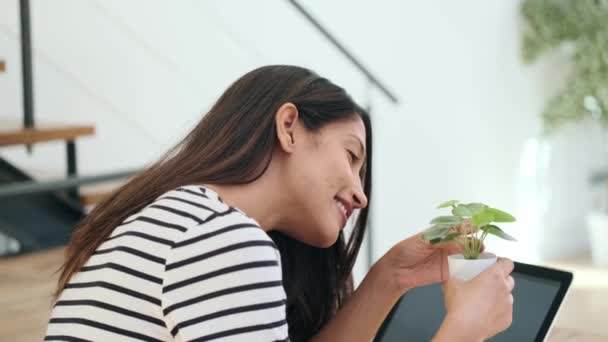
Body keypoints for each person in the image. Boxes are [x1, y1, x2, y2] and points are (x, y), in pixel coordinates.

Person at [45, 65, 514, 342]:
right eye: (351, 156)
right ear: (289, 126)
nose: (360, 192)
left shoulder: (176, 219)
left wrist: (390, 278)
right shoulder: (222, 240)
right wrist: (464, 329)